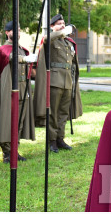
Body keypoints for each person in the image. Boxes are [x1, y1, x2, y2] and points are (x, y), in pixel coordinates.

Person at [0, 21, 38, 162]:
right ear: (7, 33)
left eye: (19, 30)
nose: (17, 33)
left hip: (22, 90)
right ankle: (7, 153)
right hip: (9, 91)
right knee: (8, 121)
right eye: (14, 30)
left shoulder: (22, 49)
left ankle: (15, 150)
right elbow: (11, 58)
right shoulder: (3, 49)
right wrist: (25, 59)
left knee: (19, 121)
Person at [33, 14, 83, 153]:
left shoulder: (68, 43)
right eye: (59, 23)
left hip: (67, 81)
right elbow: (46, 39)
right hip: (54, 81)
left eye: (63, 23)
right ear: (52, 26)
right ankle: (52, 141)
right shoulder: (51, 39)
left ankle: (60, 138)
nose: (62, 25)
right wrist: (61, 32)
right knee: (53, 113)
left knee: (63, 112)